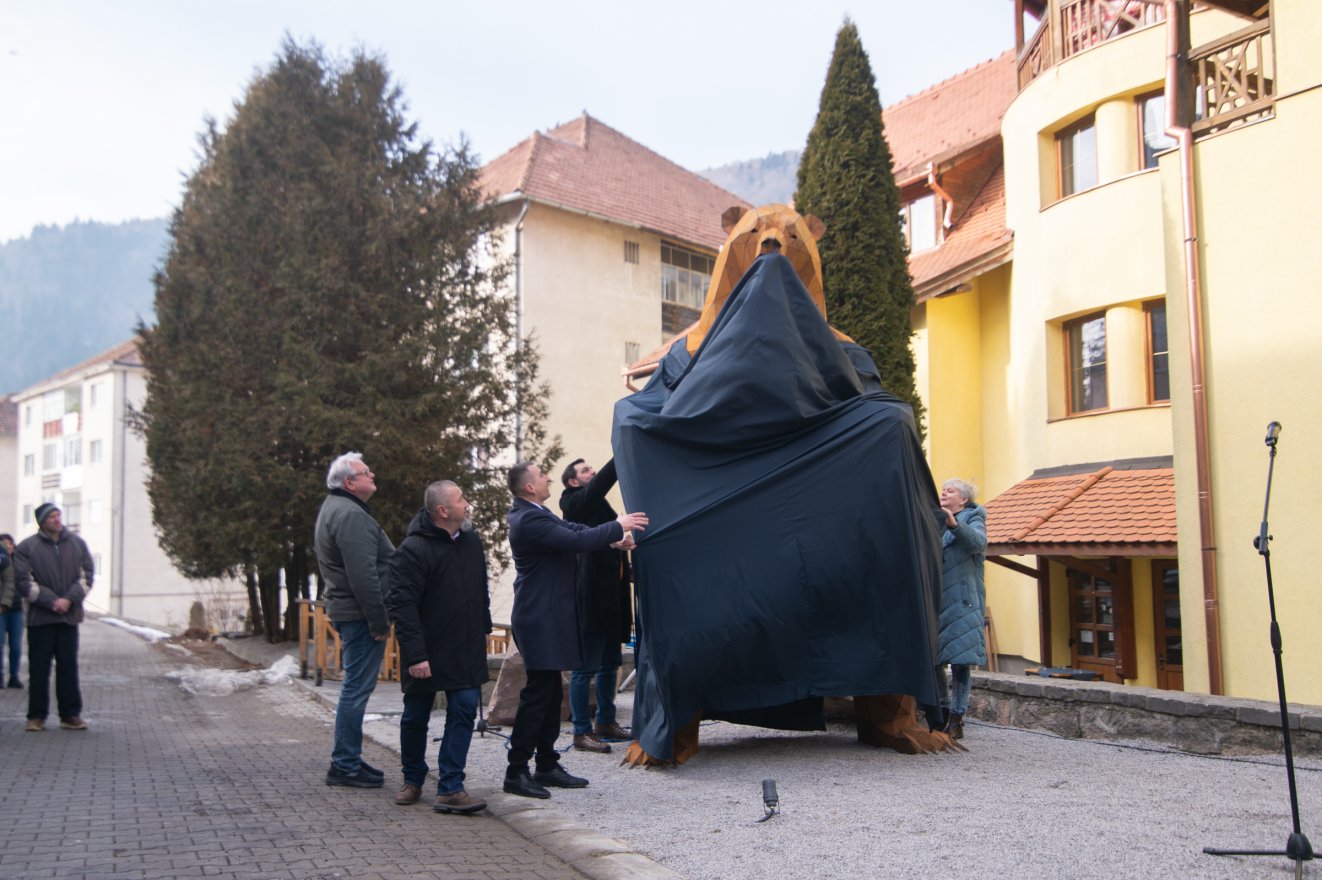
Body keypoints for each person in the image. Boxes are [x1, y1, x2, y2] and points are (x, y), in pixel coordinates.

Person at [502, 460, 647, 799]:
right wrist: (617, 526)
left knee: (552, 694)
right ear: (528, 487)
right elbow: (574, 539)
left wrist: (612, 540)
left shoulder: (538, 513)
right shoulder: (528, 519)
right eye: (541, 475)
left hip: (550, 616)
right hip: (539, 617)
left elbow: (575, 530)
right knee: (538, 695)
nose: (548, 477)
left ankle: (547, 764)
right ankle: (516, 771)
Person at [386, 480, 492, 814]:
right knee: (415, 716)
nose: (468, 503)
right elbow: (402, 605)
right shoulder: (413, 550)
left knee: (463, 710)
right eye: (462, 499)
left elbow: (480, 588)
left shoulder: (471, 541)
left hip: (465, 646)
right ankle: (413, 779)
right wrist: (416, 655)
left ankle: (450, 787)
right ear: (443, 510)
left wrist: (485, 627)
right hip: (427, 650)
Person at [314, 452, 394, 788]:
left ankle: (348, 758)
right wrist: (379, 621)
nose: (372, 475)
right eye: (365, 472)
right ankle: (344, 764)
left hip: (351, 611)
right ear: (349, 482)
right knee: (356, 689)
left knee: (355, 687)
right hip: (360, 615)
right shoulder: (349, 514)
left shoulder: (340, 509)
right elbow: (363, 575)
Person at [558, 457, 632, 753]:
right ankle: (581, 731)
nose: (593, 472)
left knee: (610, 664)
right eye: (586, 470)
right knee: (585, 669)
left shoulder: (596, 503)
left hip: (610, 597)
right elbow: (599, 487)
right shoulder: (572, 501)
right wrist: (619, 454)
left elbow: (606, 537)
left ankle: (605, 722)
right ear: (573, 481)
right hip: (590, 598)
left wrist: (620, 544)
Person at [15, 503, 94, 731]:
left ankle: (70, 715)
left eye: (58, 515)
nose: (57, 519)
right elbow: (24, 581)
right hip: (40, 619)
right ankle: (36, 716)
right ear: (42, 522)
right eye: (51, 516)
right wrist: (51, 602)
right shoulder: (27, 547)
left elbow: (86, 576)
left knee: (68, 667)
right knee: (39, 669)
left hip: (69, 618)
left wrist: (68, 599)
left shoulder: (77, 544)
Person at [936, 478, 988, 740]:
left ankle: (956, 718)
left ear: (963, 499)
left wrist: (955, 525)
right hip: (938, 600)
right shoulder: (936, 519)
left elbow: (978, 543)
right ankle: (941, 712)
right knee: (934, 659)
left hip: (962, 602)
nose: (944, 492)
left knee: (960, 662)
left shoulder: (974, 516)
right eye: (943, 489)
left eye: (951, 490)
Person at [0, 534, 20, 688]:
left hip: (16, 608)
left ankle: (14, 676)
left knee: (15, 644)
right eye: (5, 543)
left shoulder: (20, 560)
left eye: (10, 543)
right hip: (2, 609)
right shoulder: (3, 559)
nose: (8, 546)